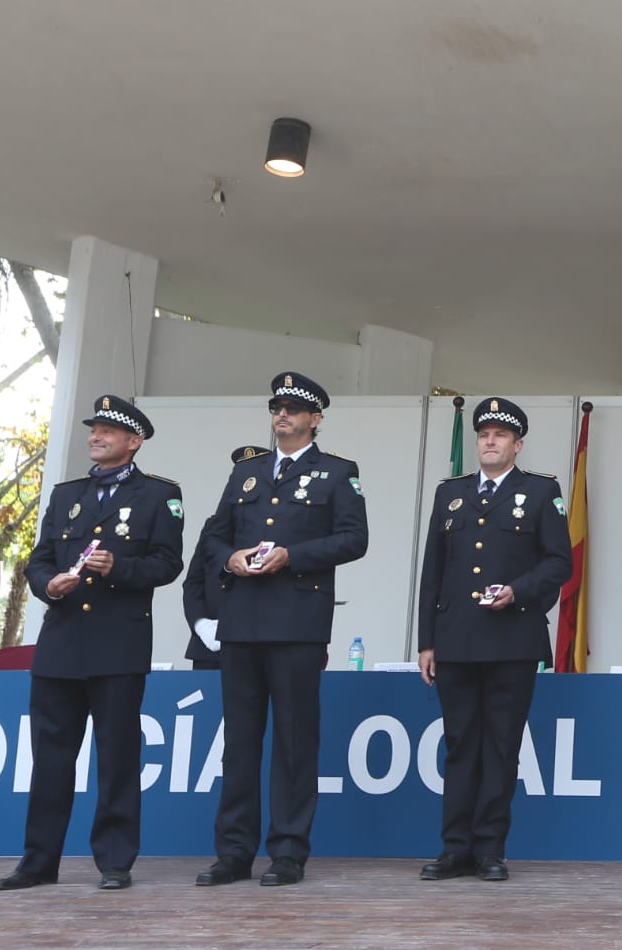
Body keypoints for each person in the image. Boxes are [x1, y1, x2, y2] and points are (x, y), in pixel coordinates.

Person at [0, 397, 184, 891]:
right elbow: (38, 560)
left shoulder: (160, 496)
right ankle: (38, 863)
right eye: (93, 429)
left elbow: (167, 564)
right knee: (50, 759)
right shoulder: (66, 494)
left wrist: (118, 568)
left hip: (118, 646)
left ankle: (115, 862)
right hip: (61, 645)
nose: (96, 436)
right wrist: (47, 583)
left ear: (133, 441)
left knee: (117, 757)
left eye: (107, 431)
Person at [195, 372, 369, 889]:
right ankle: (233, 853)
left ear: (315, 419)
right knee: (240, 743)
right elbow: (214, 538)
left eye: (294, 408)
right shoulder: (246, 472)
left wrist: (293, 556)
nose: (282, 414)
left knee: (295, 742)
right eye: (277, 406)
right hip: (242, 621)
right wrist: (232, 557)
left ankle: (288, 852)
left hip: (297, 624)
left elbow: (354, 539)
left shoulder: (338, 472)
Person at [417, 398, 573, 881]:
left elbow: (559, 563)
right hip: (457, 638)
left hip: (513, 638)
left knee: (501, 746)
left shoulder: (542, 491)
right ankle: (454, 849)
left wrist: (518, 591)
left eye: (500, 435)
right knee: (461, 744)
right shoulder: (451, 493)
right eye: (483, 433)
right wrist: (427, 641)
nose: (489, 440)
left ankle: (489, 849)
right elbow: (433, 572)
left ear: (517, 444)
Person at [185, 444, 265, 670]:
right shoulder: (214, 525)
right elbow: (193, 582)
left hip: (258, 640)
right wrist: (202, 625)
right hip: (210, 646)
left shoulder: (277, 524)